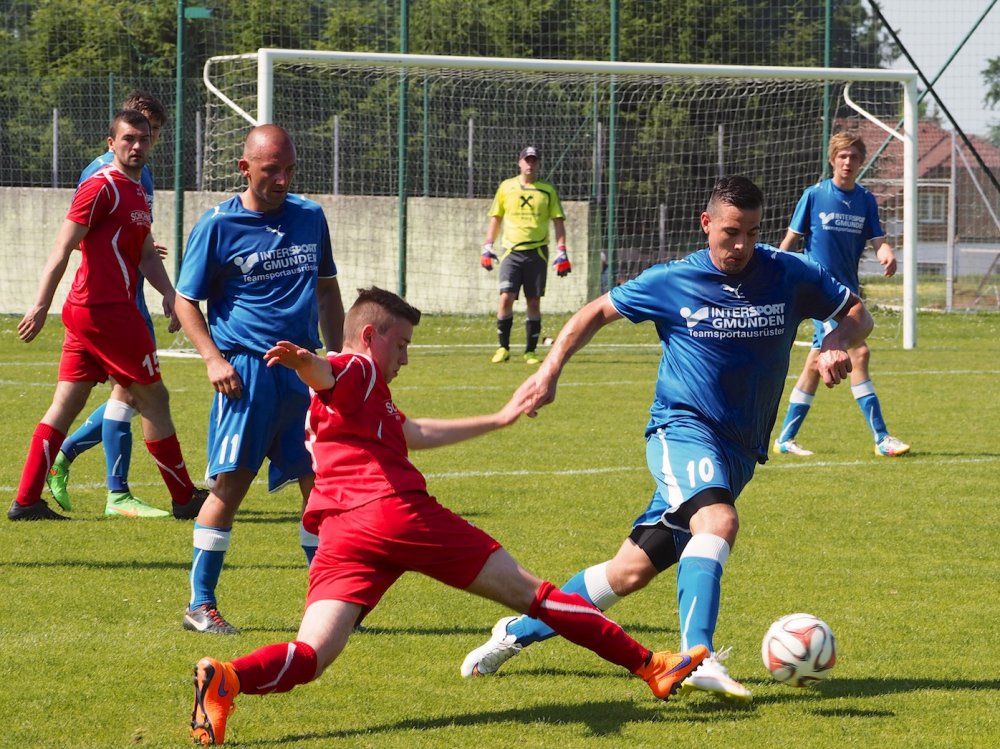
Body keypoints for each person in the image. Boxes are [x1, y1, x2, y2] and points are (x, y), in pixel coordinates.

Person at [188, 287, 708, 746]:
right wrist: (306, 362)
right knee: (537, 596)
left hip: (342, 533)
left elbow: (413, 432)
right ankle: (651, 665)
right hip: (395, 512)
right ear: (369, 336)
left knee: (312, 654)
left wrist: (499, 419)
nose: (406, 358)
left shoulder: (366, 399)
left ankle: (228, 679)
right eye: (401, 344)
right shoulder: (359, 370)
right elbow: (329, 372)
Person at [461, 176, 874, 703]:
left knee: (627, 573)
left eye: (752, 232)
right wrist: (549, 371)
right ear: (707, 224)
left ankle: (515, 633)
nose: (742, 245)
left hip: (738, 450)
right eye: (730, 232)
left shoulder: (788, 272)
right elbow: (595, 312)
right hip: (682, 429)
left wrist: (834, 341)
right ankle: (698, 655)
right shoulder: (673, 279)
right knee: (719, 522)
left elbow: (857, 313)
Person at [174, 123, 345, 635]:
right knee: (231, 486)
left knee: (319, 486)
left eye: (290, 169)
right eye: (272, 170)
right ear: (244, 168)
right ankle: (200, 605)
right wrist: (212, 359)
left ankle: (326, 604)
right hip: (246, 374)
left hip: (303, 371)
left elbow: (328, 289)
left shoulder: (310, 216)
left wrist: (336, 357)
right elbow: (185, 301)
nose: (283, 180)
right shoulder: (217, 225)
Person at [8, 109, 207, 522]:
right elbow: (62, 247)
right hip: (107, 313)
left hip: (94, 313)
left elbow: (147, 254)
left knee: (66, 403)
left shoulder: (138, 189)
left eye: (144, 139)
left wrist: (170, 294)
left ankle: (25, 501)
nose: (137, 146)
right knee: (154, 398)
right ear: (111, 143)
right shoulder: (101, 186)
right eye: (128, 138)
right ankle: (185, 498)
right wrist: (41, 304)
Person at [46, 90, 180, 518]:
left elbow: (131, 231)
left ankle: (84, 469)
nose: (144, 140)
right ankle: (115, 491)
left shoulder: (144, 175)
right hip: (106, 301)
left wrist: (140, 246)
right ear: (119, 131)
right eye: (137, 131)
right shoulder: (100, 172)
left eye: (152, 133)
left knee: (132, 393)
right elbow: (78, 236)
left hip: (131, 295)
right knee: (141, 393)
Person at [774, 131, 910, 458]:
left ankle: (785, 439)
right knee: (859, 353)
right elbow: (789, 242)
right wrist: (773, 274)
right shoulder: (814, 195)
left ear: (861, 162)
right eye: (842, 156)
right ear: (832, 159)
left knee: (815, 362)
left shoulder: (865, 200)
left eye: (854, 157)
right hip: (820, 291)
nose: (848, 162)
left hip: (849, 295)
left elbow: (878, 240)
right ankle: (882, 438)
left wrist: (886, 253)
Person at [481, 145, 568, 365]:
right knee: (506, 297)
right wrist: (487, 246)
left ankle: (530, 351)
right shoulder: (506, 187)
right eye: (527, 160)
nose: (530, 164)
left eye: (534, 160)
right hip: (512, 252)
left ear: (538, 164)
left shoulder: (547, 190)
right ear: (519, 163)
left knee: (534, 301)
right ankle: (503, 348)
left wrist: (562, 251)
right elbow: (496, 217)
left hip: (537, 252)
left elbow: (558, 221)